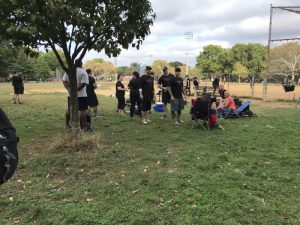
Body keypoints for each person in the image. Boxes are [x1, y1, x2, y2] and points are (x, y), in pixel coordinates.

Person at [63, 59, 89, 131]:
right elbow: (84, 84)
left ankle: (67, 125)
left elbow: (64, 81)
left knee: (69, 109)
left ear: (74, 63)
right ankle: (84, 127)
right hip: (82, 95)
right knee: (82, 111)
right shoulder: (83, 72)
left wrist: (69, 89)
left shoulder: (69, 71)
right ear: (81, 64)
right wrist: (77, 90)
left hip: (70, 95)